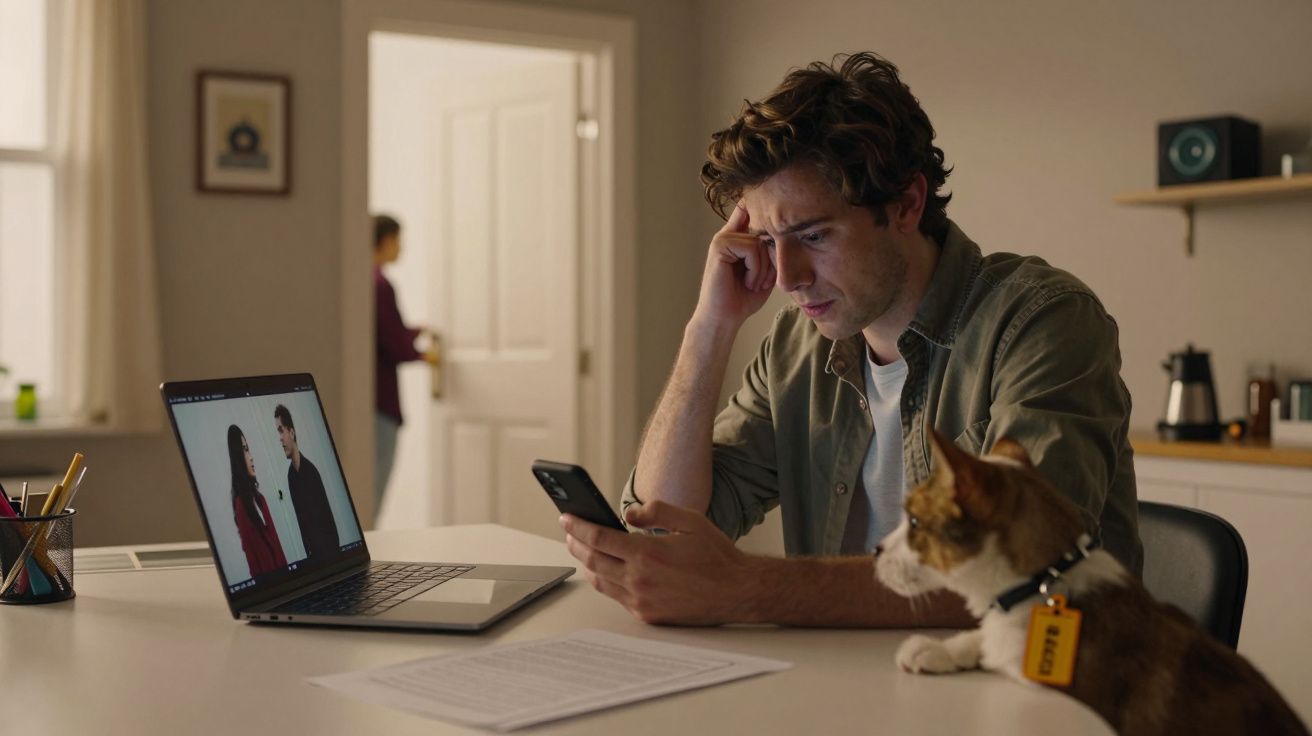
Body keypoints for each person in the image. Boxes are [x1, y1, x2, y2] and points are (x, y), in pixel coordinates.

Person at [560, 52, 1140, 627]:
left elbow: (1025, 567)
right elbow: (667, 529)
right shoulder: (798, 345)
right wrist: (708, 328)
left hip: (1025, 693)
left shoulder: (1042, 321)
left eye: (811, 235)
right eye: (765, 241)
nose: (786, 276)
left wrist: (747, 587)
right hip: (849, 688)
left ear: (907, 204)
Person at [373, 214, 439, 509]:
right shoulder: (379, 285)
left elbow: (381, 333)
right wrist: (427, 355)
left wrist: (413, 331)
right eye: (399, 240)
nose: (402, 248)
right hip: (380, 405)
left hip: (372, 401)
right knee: (373, 491)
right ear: (386, 240)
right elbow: (394, 346)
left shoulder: (364, 282)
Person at [275, 404, 339, 560]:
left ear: (292, 432)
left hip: (328, 559)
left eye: (281, 430)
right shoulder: (291, 475)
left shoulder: (311, 472)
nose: (280, 438)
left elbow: (327, 524)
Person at [227, 424, 287, 578]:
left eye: (249, 449)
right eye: (245, 450)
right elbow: (254, 564)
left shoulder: (260, 500)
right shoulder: (241, 506)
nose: (251, 456)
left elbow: (279, 551)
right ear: (237, 457)